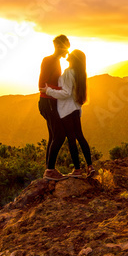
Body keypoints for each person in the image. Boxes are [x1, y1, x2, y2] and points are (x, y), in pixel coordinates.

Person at [42, 49, 94, 179]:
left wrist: (48, 90)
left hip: (66, 110)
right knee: (80, 137)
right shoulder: (80, 73)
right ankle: (90, 166)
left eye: (71, 54)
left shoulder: (68, 72)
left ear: (74, 59)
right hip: (76, 108)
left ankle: (77, 169)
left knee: (71, 138)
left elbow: (65, 93)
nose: (68, 54)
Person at [38, 34, 69, 179]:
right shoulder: (49, 60)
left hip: (51, 102)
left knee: (53, 135)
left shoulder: (56, 62)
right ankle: (50, 170)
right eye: (65, 47)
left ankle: (49, 170)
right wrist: (59, 91)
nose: (67, 51)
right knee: (60, 135)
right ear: (58, 46)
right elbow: (41, 85)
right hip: (47, 102)